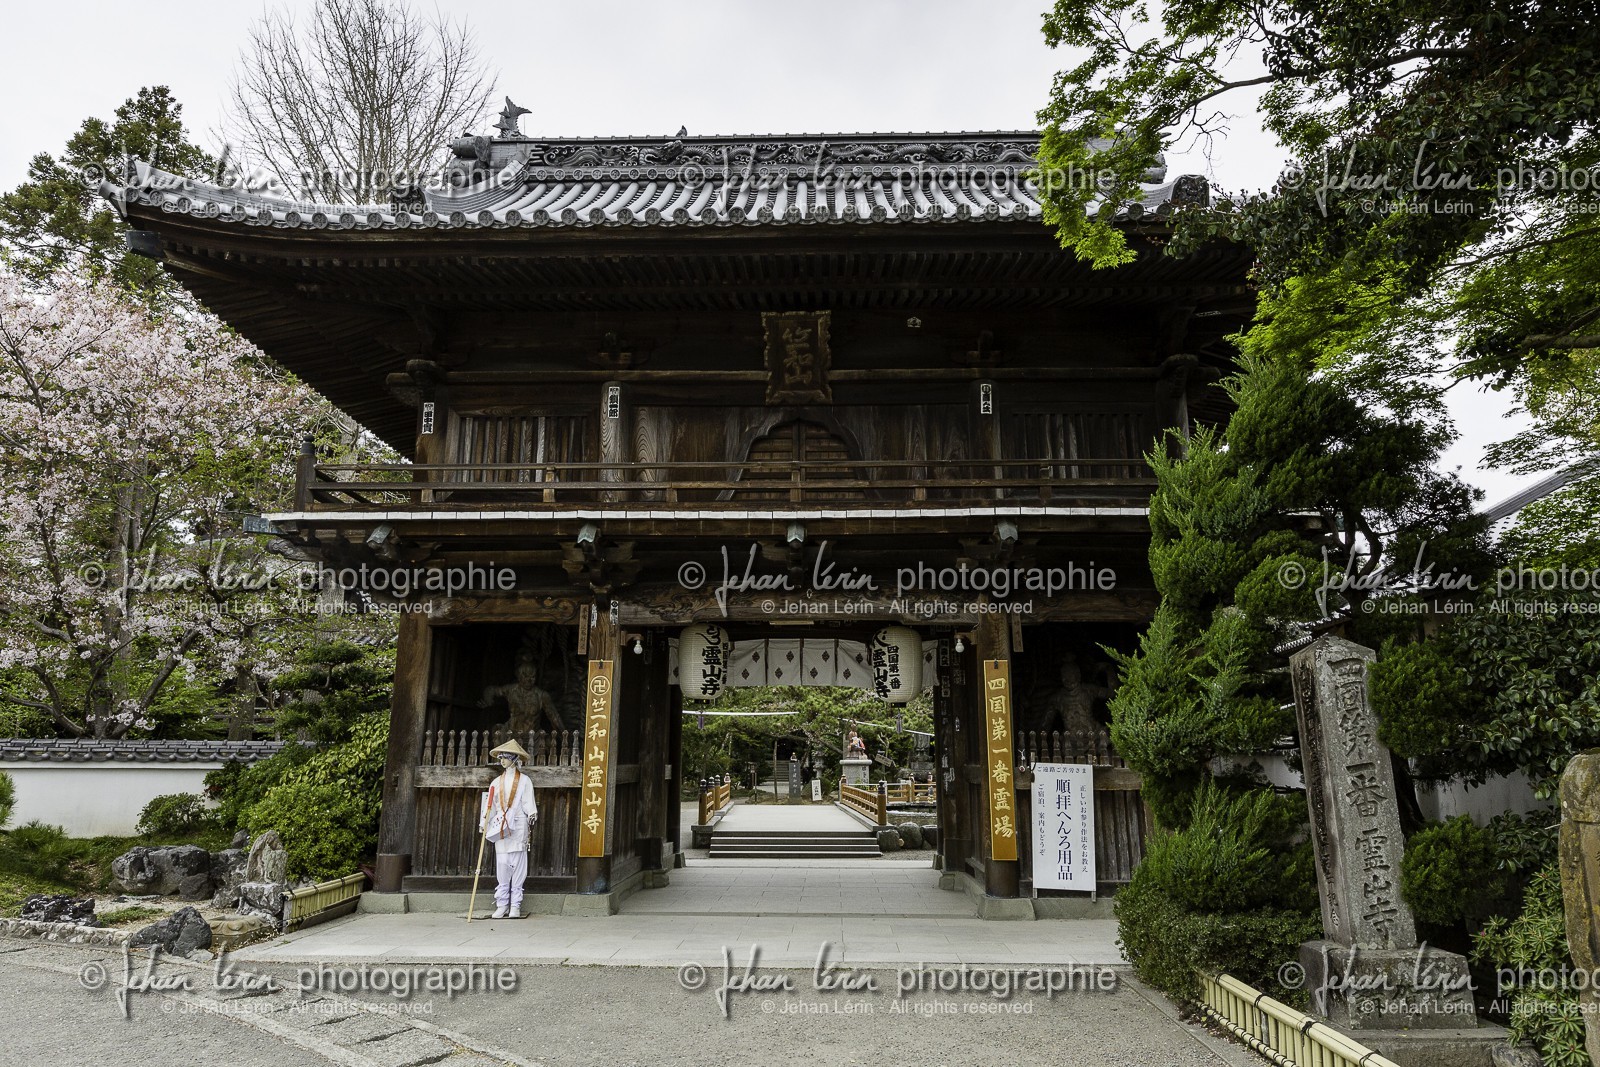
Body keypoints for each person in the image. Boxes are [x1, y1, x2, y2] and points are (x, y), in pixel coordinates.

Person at [480, 739, 538, 918]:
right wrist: (484, 822)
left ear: (514, 759)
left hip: (518, 822)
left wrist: (531, 813)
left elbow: (528, 801)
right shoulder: (496, 782)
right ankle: (502, 903)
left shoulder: (525, 781)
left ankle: (516, 904)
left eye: (505, 757)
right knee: (503, 862)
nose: (502, 760)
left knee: (518, 862)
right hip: (501, 823)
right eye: (501, 757)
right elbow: (491, 805)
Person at [479, 653, 563, 735]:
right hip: (511, 733)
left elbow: (554, 718)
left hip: (532, 736)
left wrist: (565, 736)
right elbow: (491, 690)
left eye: (532, 677)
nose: (529, 680)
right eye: (525, 676)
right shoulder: (511, 690)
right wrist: (488, 701)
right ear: (519, 676)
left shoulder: (541, 695)